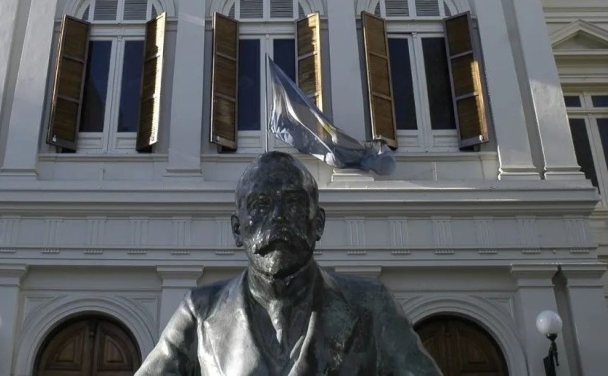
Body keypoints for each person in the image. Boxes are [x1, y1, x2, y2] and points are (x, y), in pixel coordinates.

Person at [136, 151, 443, 375]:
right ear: (237, 229)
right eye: (261, 205)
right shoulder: (200, 311)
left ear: (318, 223)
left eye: (294, 204)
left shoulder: (370, 304)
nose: (279, 219)